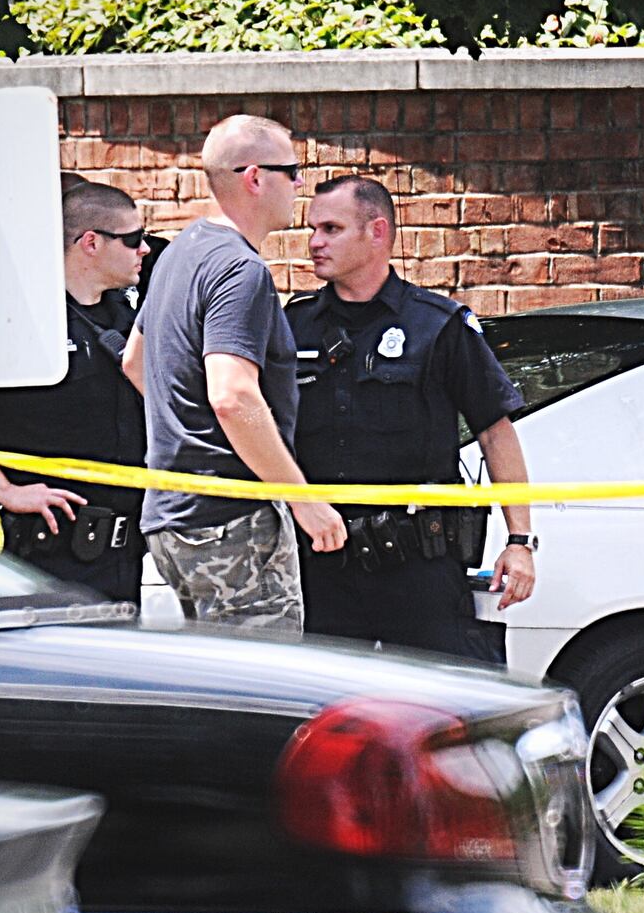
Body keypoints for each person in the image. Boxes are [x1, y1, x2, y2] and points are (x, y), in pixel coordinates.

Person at [285, 174, 536, 661]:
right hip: (320, 562)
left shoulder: (437, 325)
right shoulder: (293, 325)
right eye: (312, 229)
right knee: (326, 713)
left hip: (417, 562)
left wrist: (520, 540)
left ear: (377, 232)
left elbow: (495, 433)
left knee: (436, 709)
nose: (314, 242)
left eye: (331, 229)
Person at [121, 114, 345, 631]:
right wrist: (304, 501)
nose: (298, 186)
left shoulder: (179, 253)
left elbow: (137, 361)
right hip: (231, 520)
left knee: (217, 689)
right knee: (262, 696)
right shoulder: (240, 270)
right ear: (254, 177)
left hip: (173, 517)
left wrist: (187, 430)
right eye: (292, 171)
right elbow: (232, 395)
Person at [0, 180, 148, 602]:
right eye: (133, 240)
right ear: (91, 243)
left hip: (123, 556)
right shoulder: (19, 322)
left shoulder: (126, 316)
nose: (144, 249)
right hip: (42, 553)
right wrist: (1, 489)